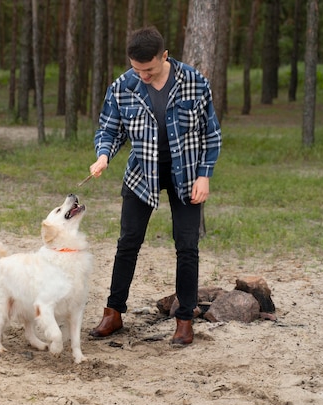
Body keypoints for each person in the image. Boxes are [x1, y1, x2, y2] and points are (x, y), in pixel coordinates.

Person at [88, 26, 222, 345]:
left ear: (164, 56)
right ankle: (113, 312)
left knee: (187, 246)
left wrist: (205, 175)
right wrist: (103, 155)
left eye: (148, 69)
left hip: (187, 173)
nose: (142, 76)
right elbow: (109, 129)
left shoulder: (194, 82)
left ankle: (185, 319)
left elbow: (211, 134)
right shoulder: (123, 86)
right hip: (142, 173)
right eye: (137, 69)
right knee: (128, 241)